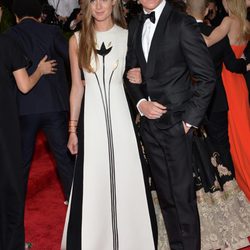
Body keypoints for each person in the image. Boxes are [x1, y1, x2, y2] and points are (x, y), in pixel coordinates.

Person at [61, 0, 155, 249]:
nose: (99, 6)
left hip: (124, 123)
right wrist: (72, 129)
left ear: (114, 1)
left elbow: (146, 76)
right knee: (93, 186)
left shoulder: (129, 36)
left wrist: (142, 77)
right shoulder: (77, 40)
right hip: (91, 127)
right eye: (93, 1)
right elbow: (76, 88)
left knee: (129, 181)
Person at [125, 0, 216, 249]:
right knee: (165, 198)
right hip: (149, 127)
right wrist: (141, 102)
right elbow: (130, 73)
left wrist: (188, 122)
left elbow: (207, 78)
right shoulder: (134, 25)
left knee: (182, 199)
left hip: (177, 125)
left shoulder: (182, 23)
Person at [8, 0, 74, 202]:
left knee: (23, 161)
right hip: (54, 105)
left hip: (23, 107)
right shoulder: (52, 32)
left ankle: (15, 203)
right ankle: (73, 200)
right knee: (63, 156)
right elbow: (71, 57)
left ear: (16, 16)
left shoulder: (9, 36)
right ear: (40, 15)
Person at [0, 29, 56, 250]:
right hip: (4, 129)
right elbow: (24, 86)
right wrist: (40, 70)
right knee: (10, 186)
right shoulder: (6, 43)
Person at [203, 0, 250, 201]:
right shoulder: (245, 23)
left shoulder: (228, 21)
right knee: (243, 128)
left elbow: (207, 42)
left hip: (228, 82)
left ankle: (243, 176)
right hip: (240, 84)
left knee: (235, 133)